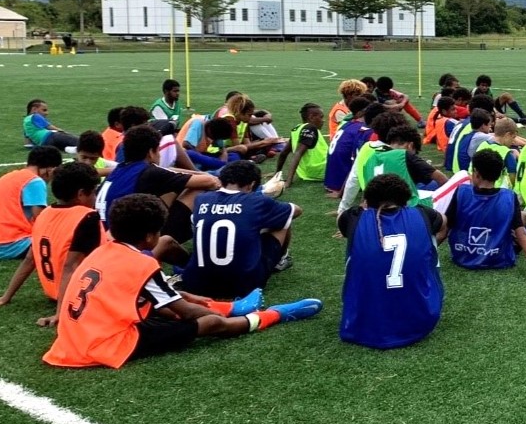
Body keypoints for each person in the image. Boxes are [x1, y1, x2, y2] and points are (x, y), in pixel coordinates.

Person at [43, 194, 322, 369]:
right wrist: (211, 314)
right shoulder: (140, 262)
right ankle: (274, 314)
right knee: (208, 322)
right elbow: (183, 311)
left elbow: (160, 296)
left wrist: (192, 301)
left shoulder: (104, 251)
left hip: (79, 335)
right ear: (151, 237)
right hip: (103, 344)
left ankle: (233, 308)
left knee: (171, 303)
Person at [0, 162, 104, 316]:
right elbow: (71, 266)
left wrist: (5, 297)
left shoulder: (45, 214)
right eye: (94, 192)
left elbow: (30, 259)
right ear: (81, 194)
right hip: (79, 294)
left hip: (53, 292)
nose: (95, 197)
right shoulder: (87, 217)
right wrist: (60, 314)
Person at [338, 175, 445, 350]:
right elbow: (443, 223)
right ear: (405, 198)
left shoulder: (353, 218)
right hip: (420, 320)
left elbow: (341, 223)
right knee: (429, 242)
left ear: (368, 200)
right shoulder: (423, 213)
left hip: (363, 326)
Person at [96, 124, 221, 264]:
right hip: (128, 248)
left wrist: (198, 173)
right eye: (158, 150)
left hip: (104, 244)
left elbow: (167, 172)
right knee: (196, 189)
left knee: (172, 189)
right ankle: (192, 268)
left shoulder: (118, 171)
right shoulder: (150, 173)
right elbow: (210, 182)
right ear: (151, 152)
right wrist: (211, 176)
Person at [180, 160, 300, 299]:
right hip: (243, 286)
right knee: (283, 219)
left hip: (196, 284)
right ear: (252, 185)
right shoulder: (256, 202)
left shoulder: (202, 199)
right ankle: (280, 260)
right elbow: (296, 210)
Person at [440, 150, 526, 282]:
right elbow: (522, 235)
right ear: (499, 174)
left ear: (476, 173)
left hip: (462, 257)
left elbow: (444, 230)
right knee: (521, 219)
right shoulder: (509, 196)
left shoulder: (461, 192)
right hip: (499, 259)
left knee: (517, 217)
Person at [0, 145, 63, 259]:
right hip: (17, 245)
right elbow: (41, 218)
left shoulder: (9, 177)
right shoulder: (35, 181)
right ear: (50, 170)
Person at [323, 96, 376, 197]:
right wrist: (341, 192)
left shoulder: (346, 124)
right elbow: (357, 160)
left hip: (331, 180)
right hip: (342, 182)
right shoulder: (364, 130)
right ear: (362, 112)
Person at [272, 102, 329, 188]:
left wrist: (276, 174)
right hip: (322, 169)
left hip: (307, 174)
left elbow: (284, 152)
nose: (323, 120)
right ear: (311, 117)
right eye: (321, 117)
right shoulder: (310, 129)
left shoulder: (297, 129)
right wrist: (288, 181)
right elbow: (298, 153)